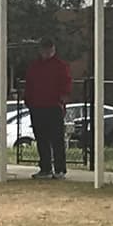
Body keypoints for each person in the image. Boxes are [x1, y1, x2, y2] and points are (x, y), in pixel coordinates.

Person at [25, 37, 73, 180]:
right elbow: (29, 84)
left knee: (57, 139)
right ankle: (45, 168)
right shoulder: (35, 66)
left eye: (48, 49)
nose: (46, 52)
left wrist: (61, 100)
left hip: (53, 106)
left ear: (53, 49)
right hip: (38, 107)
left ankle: (59, 169)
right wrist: (29, 102)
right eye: (44, 49)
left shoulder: (60, 66)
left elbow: (66, 84)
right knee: (42, 139)